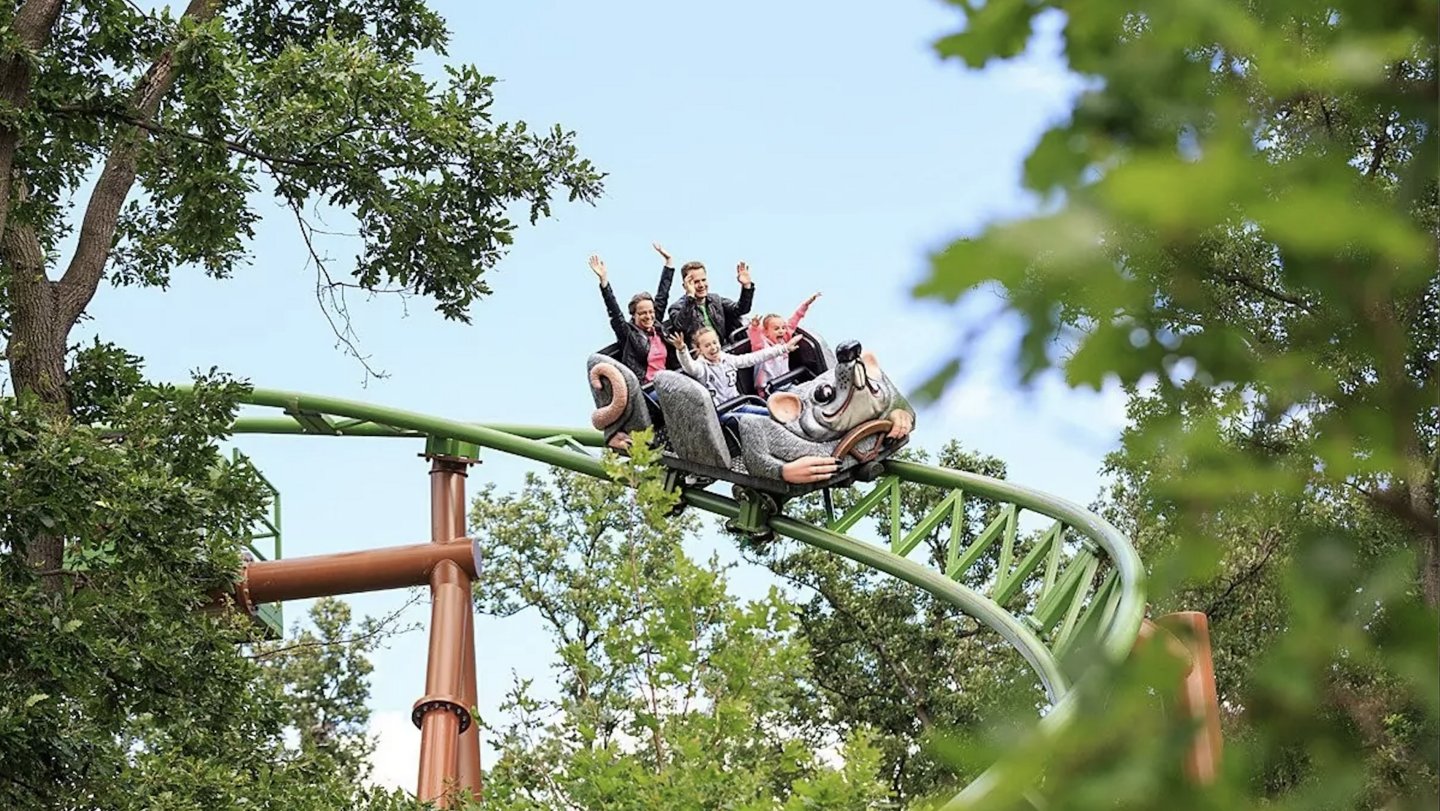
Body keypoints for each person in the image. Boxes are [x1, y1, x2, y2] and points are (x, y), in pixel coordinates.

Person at [669, 326, 801, 428]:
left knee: (773, 413)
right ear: (699, 349)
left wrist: (784, 348)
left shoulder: (727, 359)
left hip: (739, 405)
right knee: (757, 422)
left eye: (715, 343)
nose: (713, 348)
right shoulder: (701, 368)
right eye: (707, 345)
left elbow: (754, 358)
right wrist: (682, 350)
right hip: (723, 413)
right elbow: (689, 366)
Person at [589, 243, 676, 384]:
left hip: (671, 380)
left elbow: (663, 294)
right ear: (634, 315)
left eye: (651, 312)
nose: (648, 316)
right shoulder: (628, 333)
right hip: (649, 387)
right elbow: (615, 312)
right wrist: (604, 281)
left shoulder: (656, 325)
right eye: (642, 313)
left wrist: (669, 263)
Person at [747, 291, 821, 395]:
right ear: (766, 332)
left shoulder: (784, 340)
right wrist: (754, 327)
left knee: (808, 392)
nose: (781, 331)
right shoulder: (762, 347)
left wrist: (806, 305)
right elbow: (755, 337)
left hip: (786, 383)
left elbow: (793, 322)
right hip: (769, 390)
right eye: (776, 329)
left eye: (783, 328)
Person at [666, 258, 754, 342]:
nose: (701, 285)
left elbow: (740, 309)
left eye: (703, 280)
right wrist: (690, 297)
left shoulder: (715, 299)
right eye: (696, 282)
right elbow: (681, 327)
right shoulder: (676, 308)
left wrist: (746, 286)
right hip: (699, 354)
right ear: (685, 285)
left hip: (723, 350)